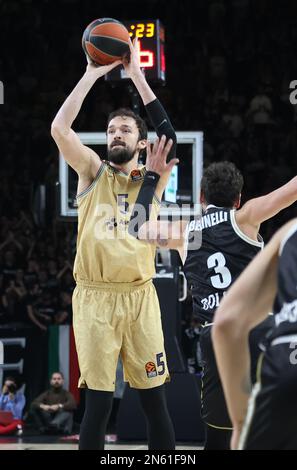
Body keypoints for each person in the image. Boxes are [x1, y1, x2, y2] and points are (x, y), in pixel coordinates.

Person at [51, 37, 178, 450]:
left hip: (140, 298)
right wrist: (91, 74)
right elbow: (59, 129)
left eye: (125, 128)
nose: (115, 133)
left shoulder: (153, 177)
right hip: (95, 299)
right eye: (110, 129)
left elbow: (168, 133)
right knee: (98, 406)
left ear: (143, 143)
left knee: (155, 404)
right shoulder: (91, 170)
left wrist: (137, 75)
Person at [132, 158, 297, 449]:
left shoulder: (185, 232)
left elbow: (137, 227)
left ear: (201, 197)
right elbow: (291, 190)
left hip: (217, 336)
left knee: (219, 435)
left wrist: (153, 177)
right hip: (259, 330)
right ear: (238, 198)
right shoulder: (245, 217)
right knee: (271, 425)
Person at [213, 218, 297, 450]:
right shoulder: (246, 218)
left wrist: (241, 422)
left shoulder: (290, 232)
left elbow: (227, 322)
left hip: (286, 362)